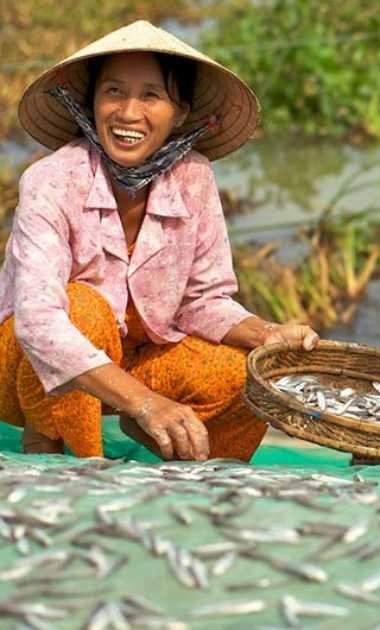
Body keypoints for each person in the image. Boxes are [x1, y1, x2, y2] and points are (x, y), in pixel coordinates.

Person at [0, 20, 319, 461]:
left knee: (242, 372)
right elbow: (38, 322)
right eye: (113, 92)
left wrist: (265, 333)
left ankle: (199, 464)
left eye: (151, 96)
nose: (129, 113)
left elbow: (203, 300)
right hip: (27, 367)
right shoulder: (52, 180)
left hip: (140, 359)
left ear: (181, 113)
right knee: (83, 308)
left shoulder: (194, 178)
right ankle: (56, 447)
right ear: (91, 103)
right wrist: (144, 401)